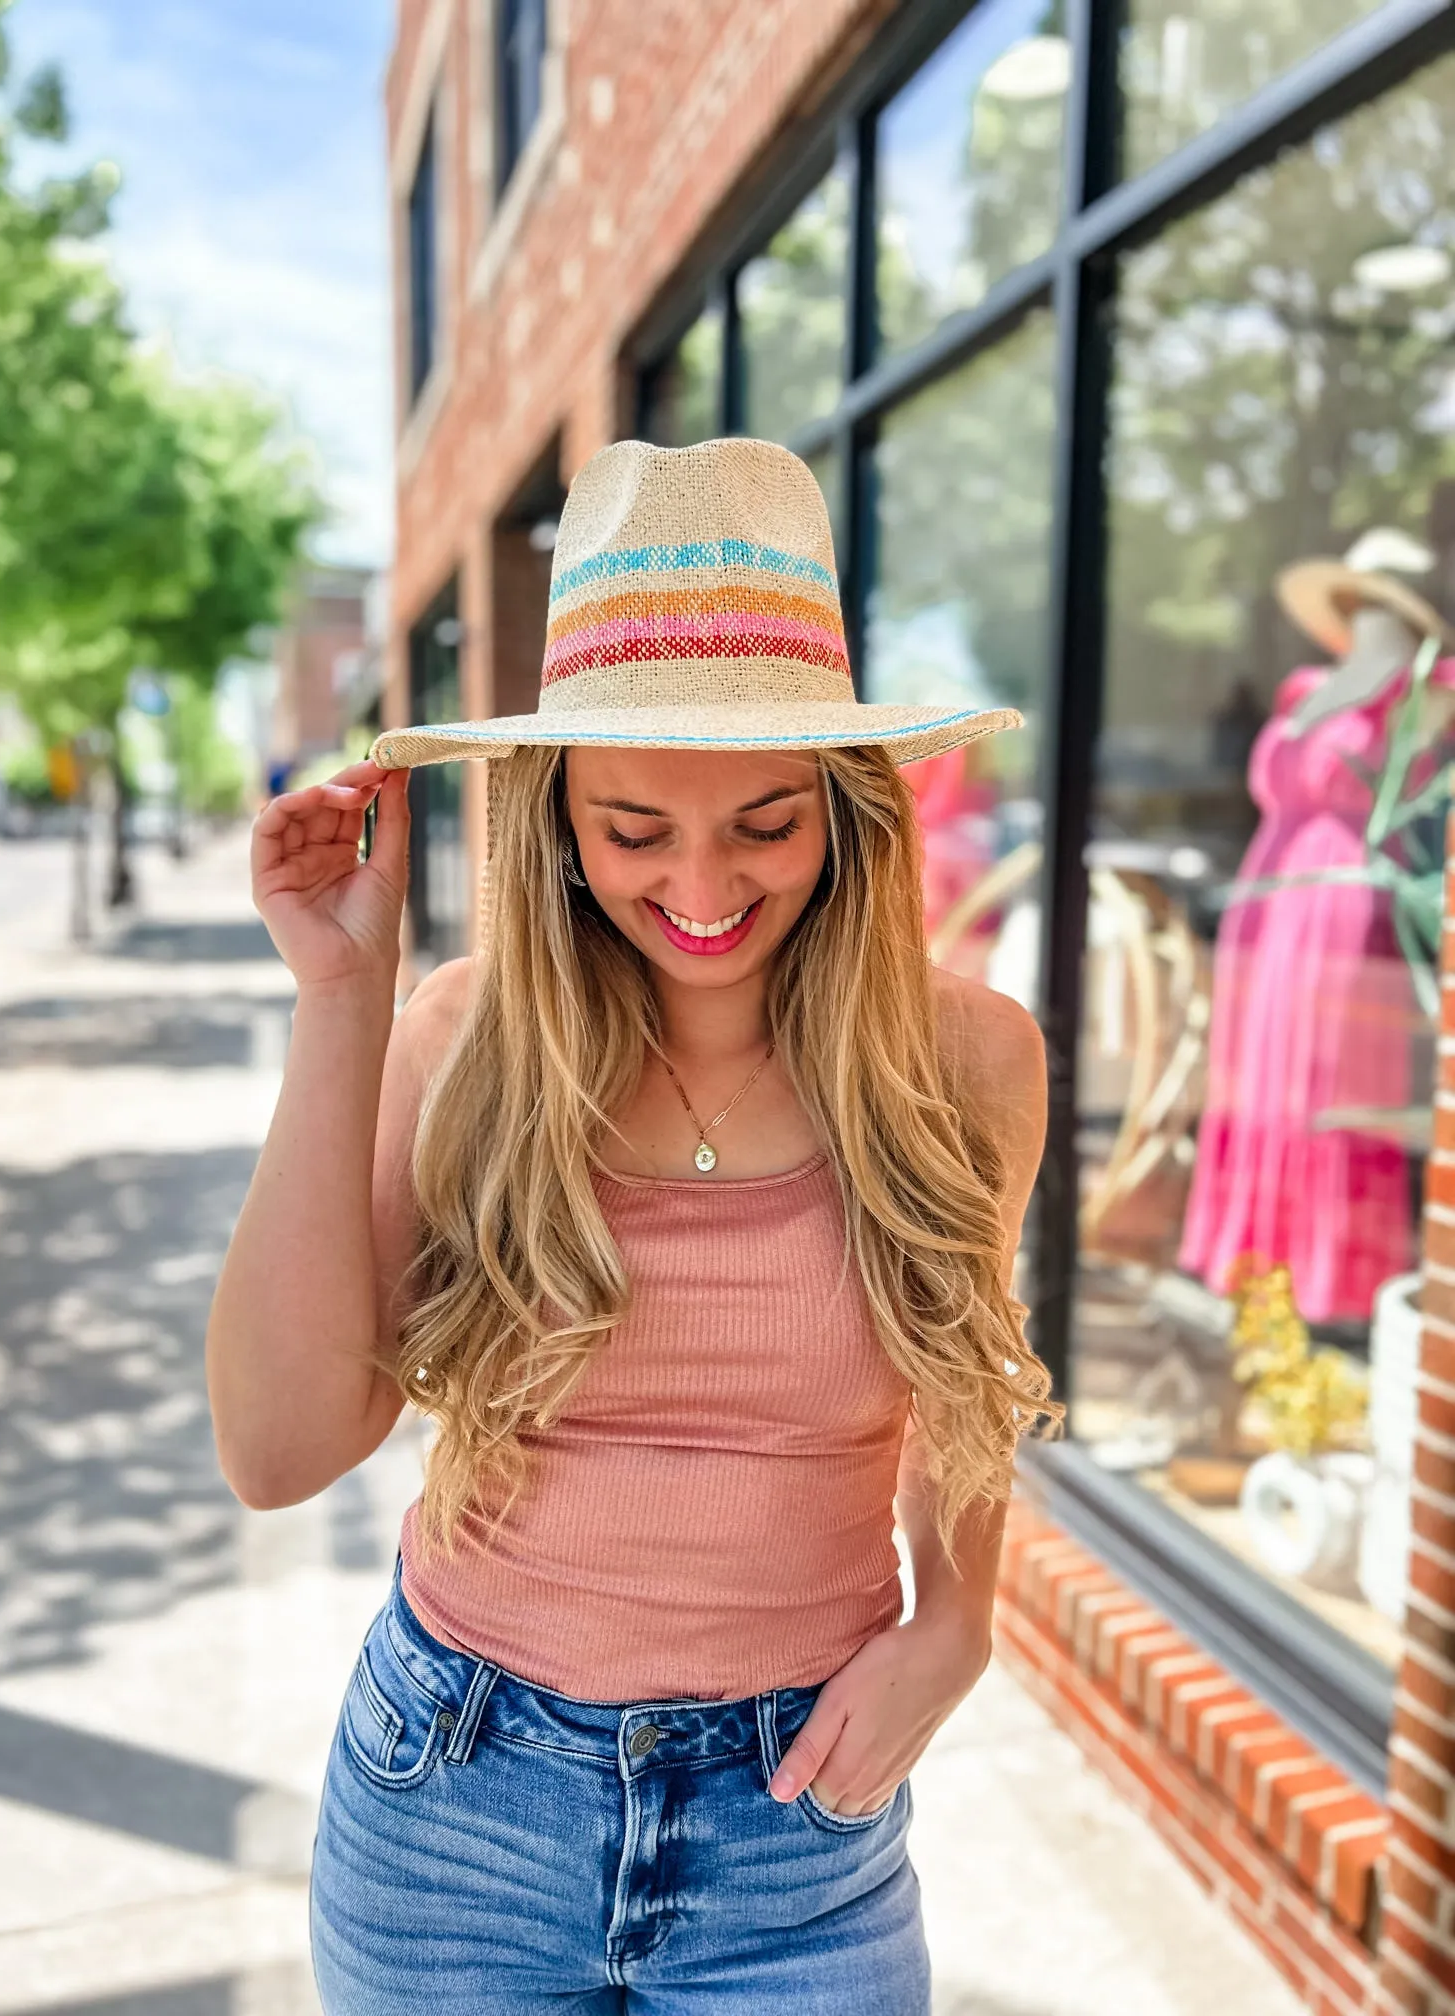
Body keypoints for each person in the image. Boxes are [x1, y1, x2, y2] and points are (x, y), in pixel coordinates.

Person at [206, 437, 1059, 2014]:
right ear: (555, 825)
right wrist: (344, 998)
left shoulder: (966, 1064)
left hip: (798, 1819)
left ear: (850, 813)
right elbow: (276, 1447)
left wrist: (961, 1624)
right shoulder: (465, 1043)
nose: (706, 885)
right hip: (454, 1810)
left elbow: (962, 1394)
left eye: (765, 821)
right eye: (634, 831)